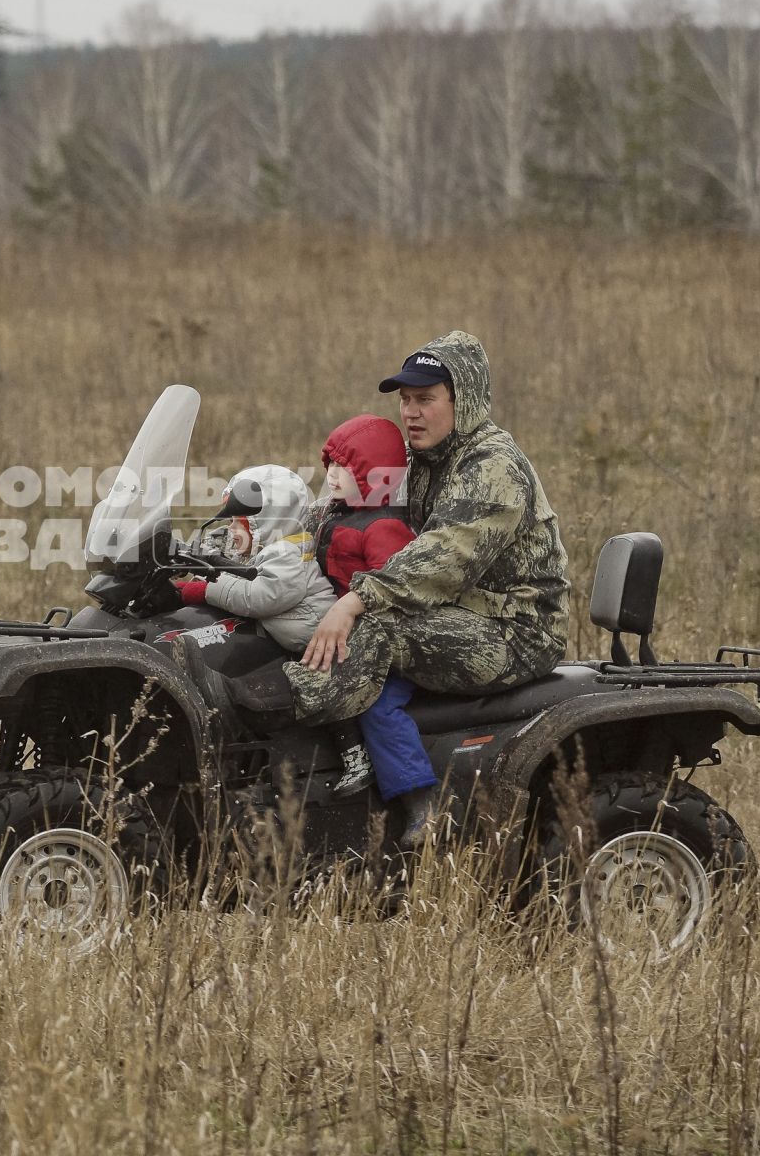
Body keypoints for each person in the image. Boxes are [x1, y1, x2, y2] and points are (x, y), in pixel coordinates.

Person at [287, 331, 570, 841]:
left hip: (514, 629)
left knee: (374, 631)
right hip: (453, 612)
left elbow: (442, 557)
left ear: (464, 401)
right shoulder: (421, 462)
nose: (411, 413)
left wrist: (355, 600)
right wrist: (261, 539)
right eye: (405, 400)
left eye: (425, 399)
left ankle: (297, 729)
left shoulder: (493, 468)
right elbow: (346, 506)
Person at [311, 414, 437, 846]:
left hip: (386, 643)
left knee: (378, 707)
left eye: (342, 468)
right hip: (346, 630)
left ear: (371, 476)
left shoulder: (384, 527)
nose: (330, 475)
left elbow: (393, 587)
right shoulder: (336, 514)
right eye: (328, 464)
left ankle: (419, 803)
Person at [176, 464, 336, 653]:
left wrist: (206, 590)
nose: (231, 528)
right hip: (287, 638)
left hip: (314, 640)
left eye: (240, 522)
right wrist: (190, 582)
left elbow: (260, 597)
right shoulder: (265, 547)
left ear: (267, 523)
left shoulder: (287, 554)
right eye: (230, 520)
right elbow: (238, 579)